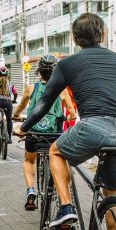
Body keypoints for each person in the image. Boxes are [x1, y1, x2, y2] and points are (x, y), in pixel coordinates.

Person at [15, 13, 116, 230]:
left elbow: (45, 102)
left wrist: (23, 127)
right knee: (112, 193)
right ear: (102, 35)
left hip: (92, 126)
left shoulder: (67, 63)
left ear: (74, 39)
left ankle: (66, 208)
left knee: (57, 151)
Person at [15, 55, 77, 211]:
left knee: (29, 160)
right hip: (54, 135)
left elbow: (21, 107)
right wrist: (70, 117)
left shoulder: (31, 88)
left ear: (39, 72)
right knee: (58, 158)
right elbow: (72, 112)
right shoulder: (62, 90)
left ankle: (30, 190)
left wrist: (15, 116)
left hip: (33, 134)